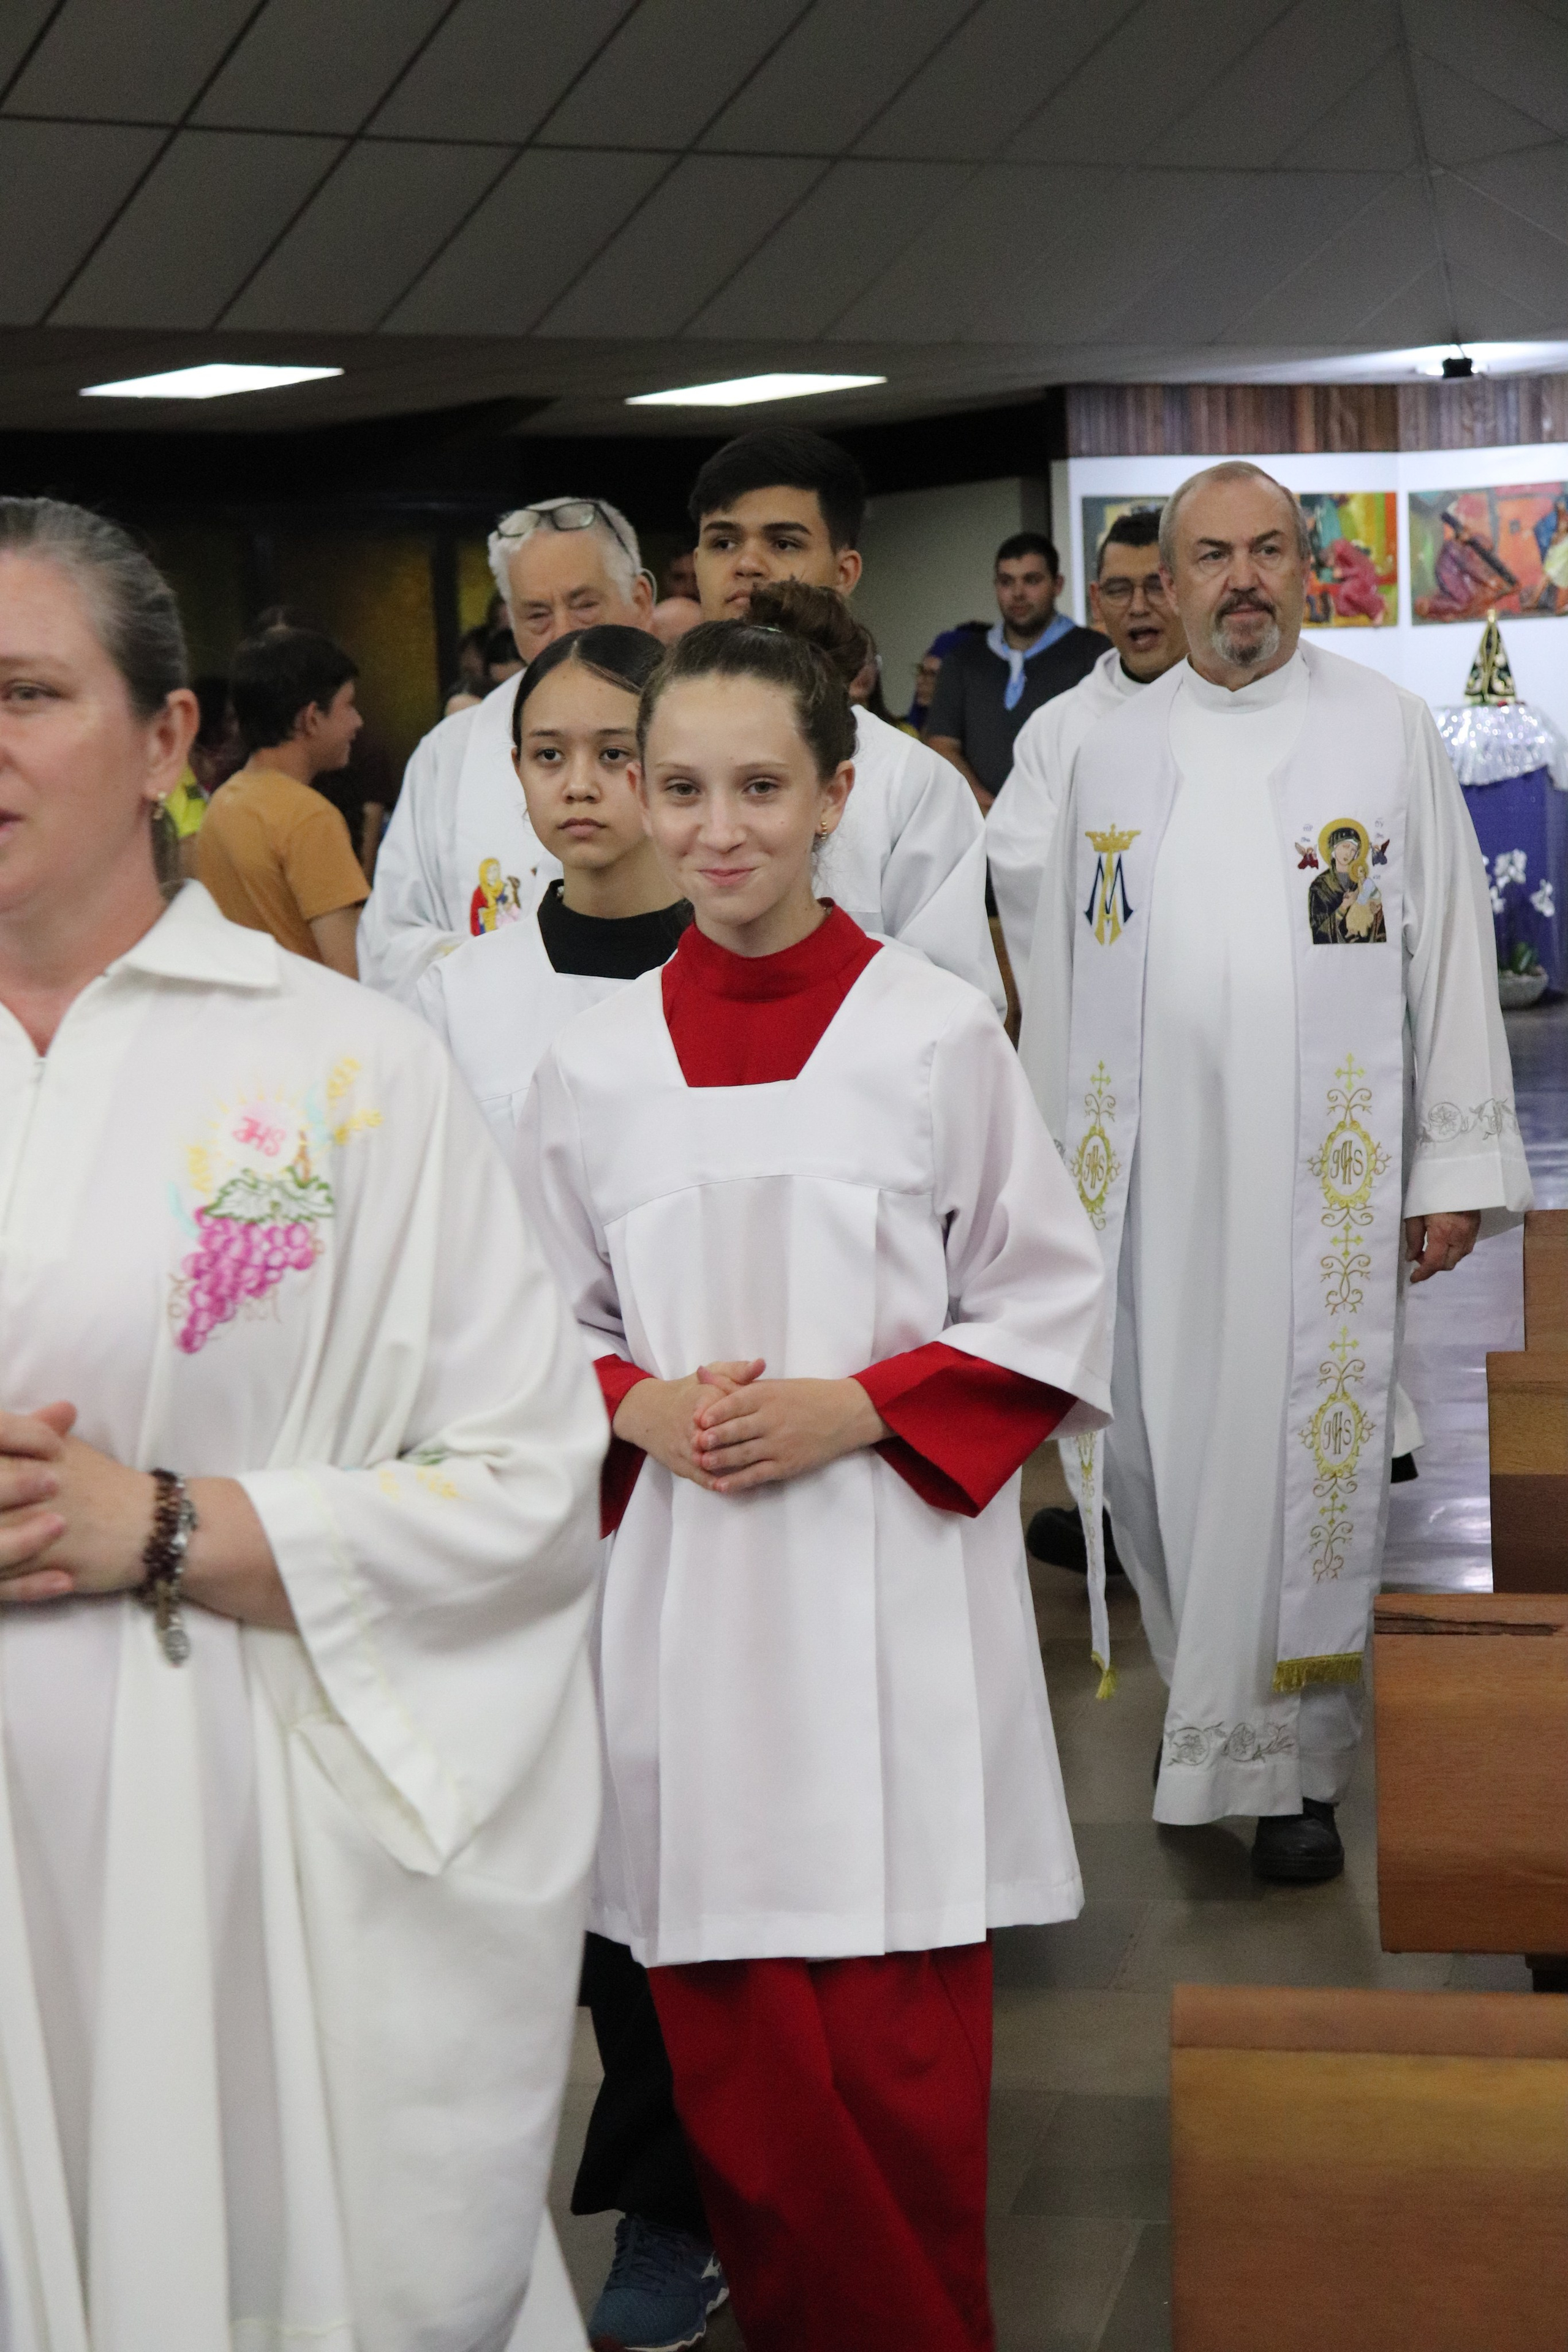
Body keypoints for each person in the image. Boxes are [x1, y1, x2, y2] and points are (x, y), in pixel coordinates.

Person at [0, 496, 606, 2346]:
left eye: (23, 693)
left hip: (230, 1841)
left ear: (169, 739)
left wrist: (171, 1521)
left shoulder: (340, 1071)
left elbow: (525, 1481)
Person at [519, 588, 1110, 2352]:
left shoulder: (933, 1034)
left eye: (760, 789)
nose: (717, 830)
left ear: (839, 792)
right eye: (677, 788)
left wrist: (859, 1405)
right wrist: (625, 1403)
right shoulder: (591, 1064)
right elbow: (522, 1330)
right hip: (691, 1617)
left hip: (890, 1604)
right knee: (749, 2079)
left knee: (903, 2063)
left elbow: (1051, 1299)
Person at [1019, 461, 1531, 1883]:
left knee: (1299, 1445)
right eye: (1208, 556)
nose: (1238, 580)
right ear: (1163, 581)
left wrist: (1451, 1158)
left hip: (1331, 1174)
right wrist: (1046, 1184)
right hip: (1151, 1176)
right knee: (1157, 1456)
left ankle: (1294, 1765)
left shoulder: (1379, 731)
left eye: (1266, 553)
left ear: (1308, 570)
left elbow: (1444, 957)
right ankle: (1207, 1715)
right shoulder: (1096, 752)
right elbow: (1060, 972)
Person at [417, 625, 720, 2348]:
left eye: (626, 755)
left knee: (705, 1845)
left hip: (717, 1465)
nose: (590, 789)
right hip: (517, 1477)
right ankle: (639, 2191)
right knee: (567, 1864)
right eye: (556, 758)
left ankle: (701, 2192)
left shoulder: (764, 975)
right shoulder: (456, 1002)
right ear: (515, 779)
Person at [690, 424, 1005, 1012]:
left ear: (845, 571)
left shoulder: (911, 782)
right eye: (723, 542)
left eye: (783, 543)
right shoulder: (645, 761)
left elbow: (959, 1010)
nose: (748, 565)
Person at [359, 496, 657, 1003]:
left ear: (641, 599)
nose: (563, 633)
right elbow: (389, 942)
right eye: (536, 614)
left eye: (584, 604)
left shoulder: (698, 726)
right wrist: (519, 969)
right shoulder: (452, 752)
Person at [988, 509, 1182, 999]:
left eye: (1156, 586)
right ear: (1097, 601)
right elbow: (1018, 857)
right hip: (1098, 995)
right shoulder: (1056, 728)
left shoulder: (1234, 713)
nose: (1138, 607)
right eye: (1119, 590)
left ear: (1185, 591)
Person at [197, 625, 370, 976]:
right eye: (348, 706)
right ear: (311, 718)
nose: (358, 722)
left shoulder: (221, 804)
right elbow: (349, 974)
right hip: (307, 1023)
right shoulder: (309, 818)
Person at [926, 533, 1102, 810]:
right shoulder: (963, 659)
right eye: (1007, 582)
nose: (1018, 593)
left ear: (1057, 585)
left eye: (1031, 580)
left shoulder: (1097, 655)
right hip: (981, 830)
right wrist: (991, 811)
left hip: (1070, 825)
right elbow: (942, 744)